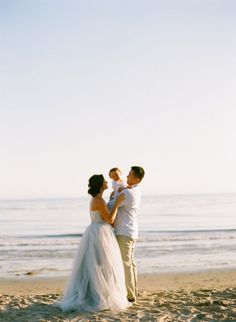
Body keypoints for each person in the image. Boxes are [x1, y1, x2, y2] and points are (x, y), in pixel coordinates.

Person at [60, 174, 130, 313]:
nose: (106, 182)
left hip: (96, 231)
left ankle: (98, 292)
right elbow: (110, 219)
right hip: (100, 233)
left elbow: (103, 214)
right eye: (104, 181)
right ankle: (100, 295)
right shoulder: (98, 200)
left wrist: (111, 200)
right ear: (100, 185)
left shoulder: (98, 200)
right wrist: (117, 203)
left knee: (98, 265)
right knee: (103, 264)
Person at [114, 166, 145, 302]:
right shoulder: (135, 190)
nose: (127, 176)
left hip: (124, 231)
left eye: (130, 175)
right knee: (131, 263)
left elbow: (110, 206)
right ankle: (134, 291)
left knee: (126, 264)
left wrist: (113, 195)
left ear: (136, 179)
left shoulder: (128, 193)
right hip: (131, 231)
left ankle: (130, 295)